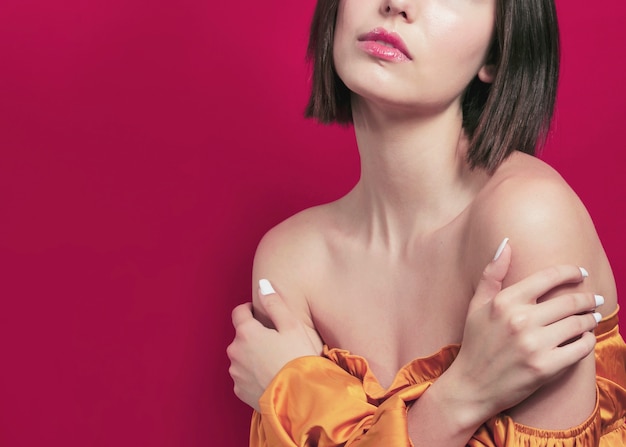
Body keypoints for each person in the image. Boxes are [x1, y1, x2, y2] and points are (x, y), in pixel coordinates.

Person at [227, 0, 626, 444]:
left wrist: (296, 390)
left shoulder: (527, 219)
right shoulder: (291, 259)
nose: (396, 4)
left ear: (496, 54)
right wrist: (465, 396)